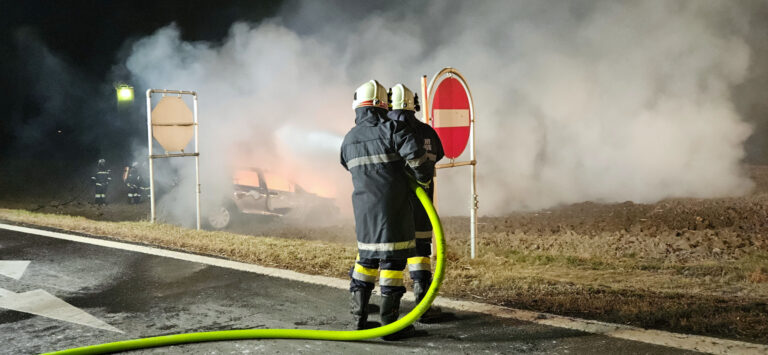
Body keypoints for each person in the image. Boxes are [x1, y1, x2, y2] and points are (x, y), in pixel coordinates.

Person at [340, 79, 434, 340]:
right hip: (393, 211)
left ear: (358, 106)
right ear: (383, 105)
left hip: (364, 213)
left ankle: (358, 320)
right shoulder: (392, 129)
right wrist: (422, 179)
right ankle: (389, 324)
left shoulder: (349, 138)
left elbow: (346, 164)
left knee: (365, 261)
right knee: (392, 264)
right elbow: (419, 160)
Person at [388, 84, 447, 323]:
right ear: (415, 105)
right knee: (421, 252)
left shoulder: (387, 129)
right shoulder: (429, 133)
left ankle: (385, 310)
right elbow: (438, 156)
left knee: (385, 255)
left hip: (392, 206)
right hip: (422, 209)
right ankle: (423, 307)